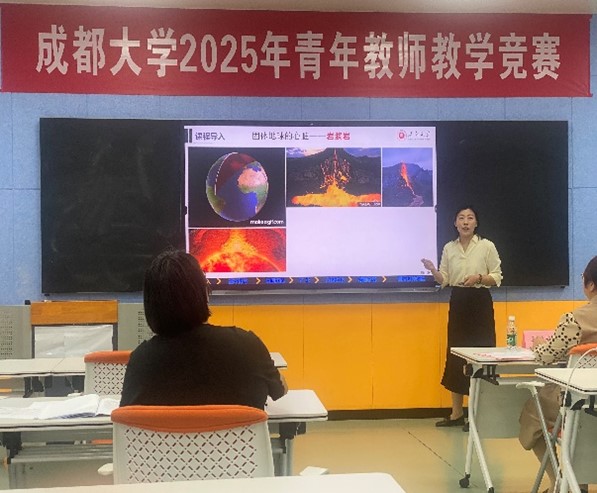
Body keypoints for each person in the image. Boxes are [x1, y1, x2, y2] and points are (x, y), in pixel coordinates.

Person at [120, 249, 288, 409]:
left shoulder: (141, 360)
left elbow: (126, 419)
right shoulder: (247, 346)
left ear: (150, 303)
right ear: (204, 294)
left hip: (170, 432)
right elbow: (280, 390)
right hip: (236, 432)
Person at [518, 256, 597, 493]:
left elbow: (546, 357)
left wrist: (538, 344)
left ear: (590, 285)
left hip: (578, 401)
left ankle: (560, 482)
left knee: (534, 411)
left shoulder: (574, 320)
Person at [421, 205, 502, 427]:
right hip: (458, 301)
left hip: (480, 301)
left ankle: (478, 416)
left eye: (470, 218)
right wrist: (433, 270)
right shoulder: (449, 248)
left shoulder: (487, 246)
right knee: (456, 354)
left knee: (481, 355)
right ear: (455, 223)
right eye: (461, 218)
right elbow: (444, 279)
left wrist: (478, 278)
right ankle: (456, 414)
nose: (465, 222)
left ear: (476, 223)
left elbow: (497, 276)